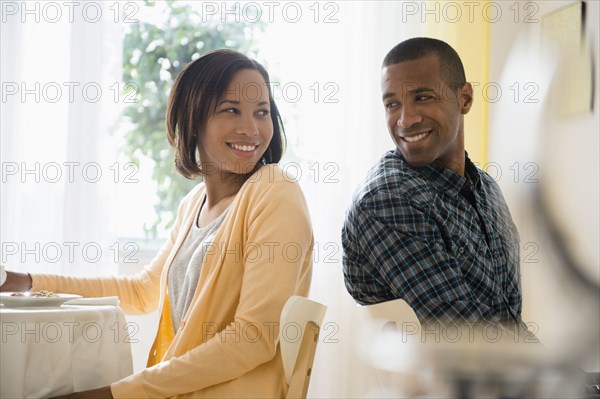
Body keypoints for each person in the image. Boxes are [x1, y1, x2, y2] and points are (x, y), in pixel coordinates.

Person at [1, 49, 314, 398]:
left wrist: (114, 394)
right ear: (193, 120)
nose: (251, 129)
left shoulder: (274, 191)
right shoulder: (193, 204)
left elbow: (253, 337)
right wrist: (24, 282)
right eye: (231, 110)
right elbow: (141, 291)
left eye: (262, 112)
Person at [341, 37, 524, 328]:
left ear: (464, 98)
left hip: (507, 368)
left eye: (422, 97)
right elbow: (469, 337)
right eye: (392, 104)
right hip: (457, 372)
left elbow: (508, 323)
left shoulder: (486, 188)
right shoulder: (388, 200)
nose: (405, 120)